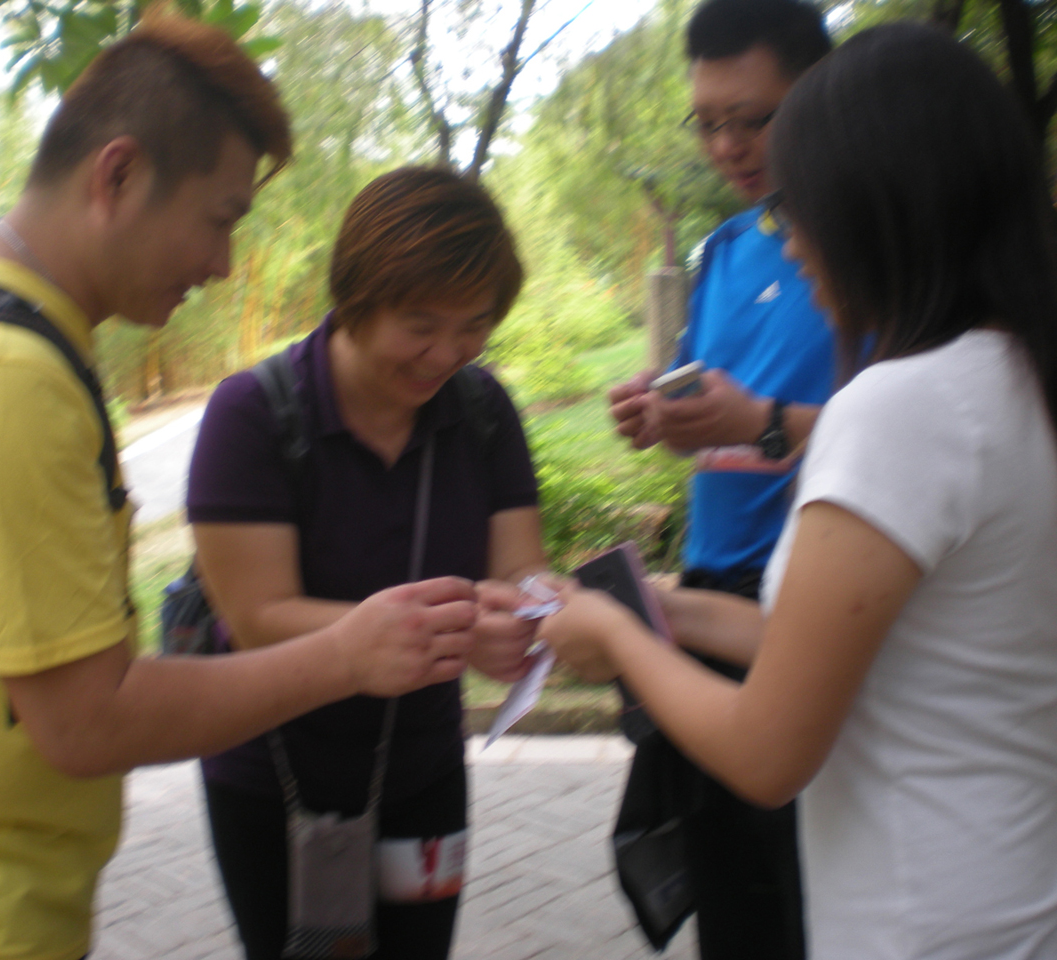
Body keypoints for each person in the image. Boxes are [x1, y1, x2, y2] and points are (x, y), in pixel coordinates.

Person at [0, 20, 484, 960]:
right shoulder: (1, 375)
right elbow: (86, 721)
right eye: (220, 218)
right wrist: (347, 655)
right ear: (117, 175)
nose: (224, 264)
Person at [545, 21, 1057, 960]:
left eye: (804, 204)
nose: (794, 238)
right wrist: (664, 610)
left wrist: (618, 639)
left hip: (920, 925)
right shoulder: (1018, 376)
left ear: (873, 208)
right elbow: (898, 655)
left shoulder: (898, 407)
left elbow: (766, 751)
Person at [187, 166, 547, 960]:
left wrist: (526, 612)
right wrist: (450, 631)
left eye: (474, 326)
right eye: (420, 325)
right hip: (273, 779)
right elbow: (257, 617)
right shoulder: (253, 416)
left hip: (422, 771)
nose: (446, 353)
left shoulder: (482, 412)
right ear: (355, 298)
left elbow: (523, 571)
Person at [608, 2, 833, 956]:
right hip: (710, 593)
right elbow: (709, 416)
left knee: (806, 893)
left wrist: (762, 421)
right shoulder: (729, 250)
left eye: (751, 118)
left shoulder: (878, 251)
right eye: (707, 122)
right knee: (730, 896)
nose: (727, 146)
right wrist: (659, 417)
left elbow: (922, 433)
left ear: (821, 95)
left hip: (820, 601)